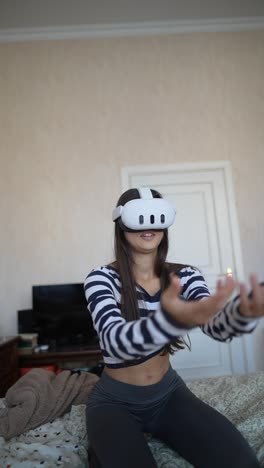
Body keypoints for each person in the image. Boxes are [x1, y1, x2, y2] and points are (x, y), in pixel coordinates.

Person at [84, 187, 263, 468]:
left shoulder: (185, 276)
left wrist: (243, 313)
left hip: (168, 394)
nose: (150, 225)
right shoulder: (101, 278)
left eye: (157, 216)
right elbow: (113, 341)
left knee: (242, 463)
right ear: (121, 223)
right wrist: (173, 320)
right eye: (139, 217)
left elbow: (214, 326)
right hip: (114, 402)